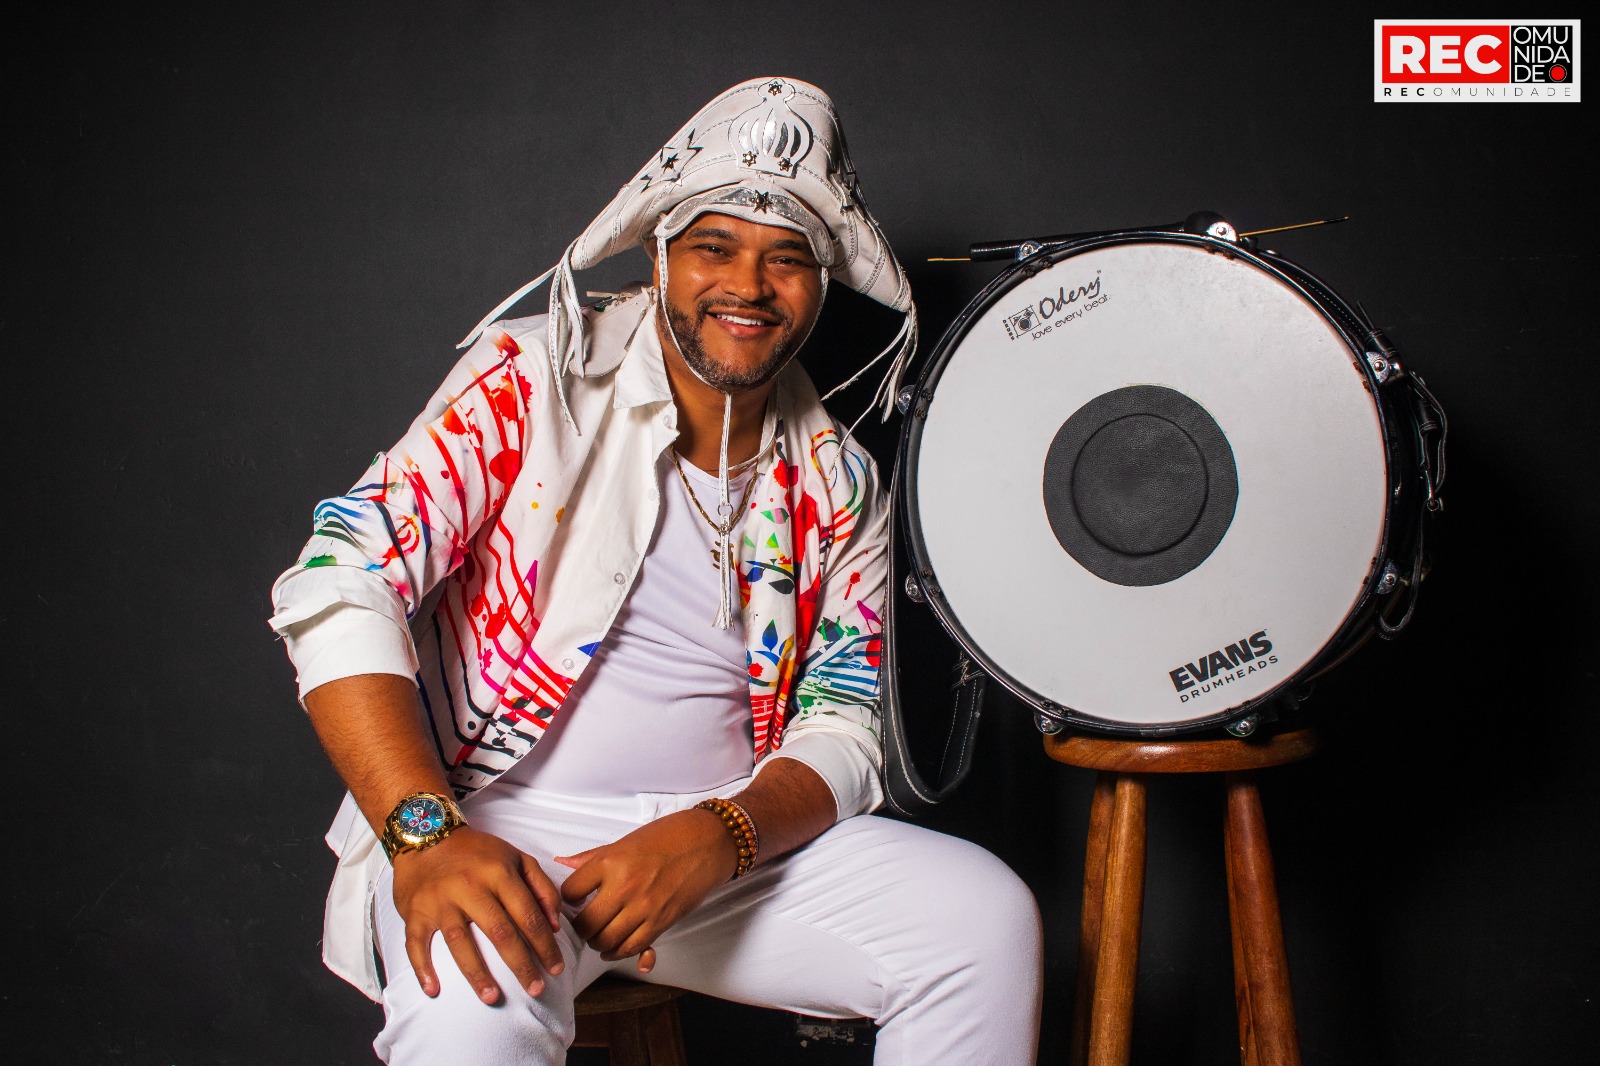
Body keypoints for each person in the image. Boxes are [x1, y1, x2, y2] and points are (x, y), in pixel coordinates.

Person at [269, 76, 1042, 1064]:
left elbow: (847, 725)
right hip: (495, 828)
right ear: (661, 253)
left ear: (820, 283)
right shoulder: (532, 381)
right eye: (715, 247)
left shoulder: (838, 478)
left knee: (981, 921)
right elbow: (340, 577)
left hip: (715, 850)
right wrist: (423, 834)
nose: (748, 286)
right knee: (469, 1010)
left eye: (786, 258)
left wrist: (722, 833)